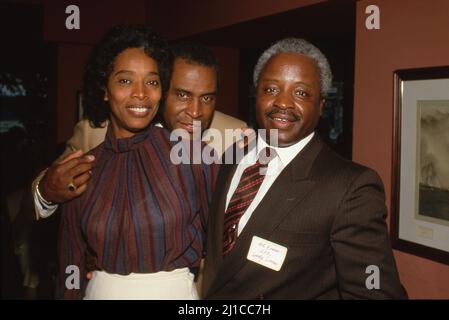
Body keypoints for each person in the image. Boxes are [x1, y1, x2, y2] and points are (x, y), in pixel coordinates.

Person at [202, 38, 407, 299]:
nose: (283, 103)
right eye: (272, 89)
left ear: (321, 105)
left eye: (301, 93)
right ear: (257, 93)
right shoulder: (231, 155)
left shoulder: (351, 188)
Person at [56, 24, 217, 299]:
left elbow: (221, 243)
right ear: (104, 89)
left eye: (152, 82)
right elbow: (71, 261)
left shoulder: (195, 157)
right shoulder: (83, 168)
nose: (141, 93)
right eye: (125, 80)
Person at [31, 43, 246, 220]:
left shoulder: (235, 136)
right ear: (161, 91)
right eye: (182, 95)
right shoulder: (95, 133)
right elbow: (51, 183)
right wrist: (46, 193)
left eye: (207, 98)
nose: (195, 111)